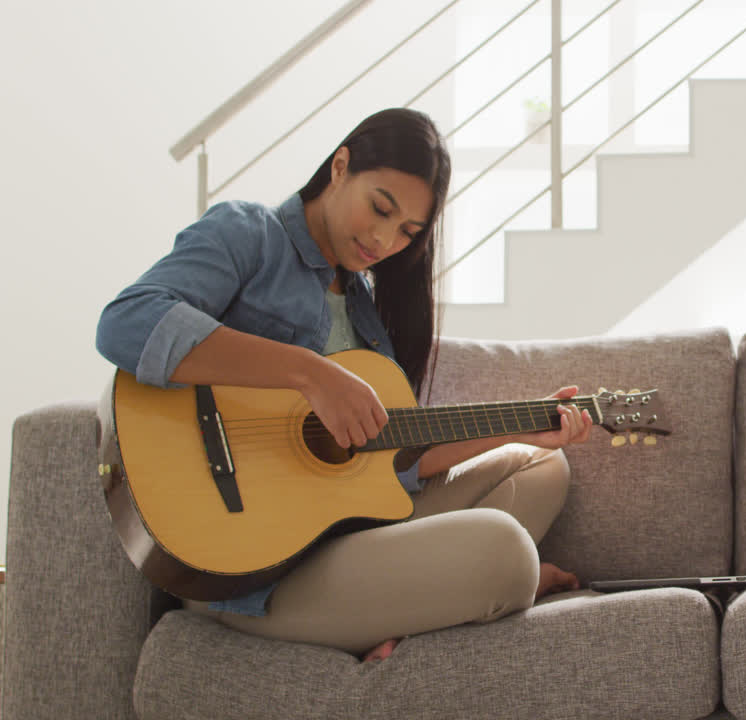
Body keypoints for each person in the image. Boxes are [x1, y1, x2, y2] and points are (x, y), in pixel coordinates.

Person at [96, 107, 589, 663]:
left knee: (545, 467)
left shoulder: (365, 314)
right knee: (508, 557)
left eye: (407, 231)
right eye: (381, 207)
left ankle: (400, 614)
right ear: (340, 166)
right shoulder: (248, 233)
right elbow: (126, 322)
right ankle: (434, 603)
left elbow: (392, 467)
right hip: (248, 574)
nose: (384, 239)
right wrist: (310, 373)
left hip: (347, 544)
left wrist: (525, 427)